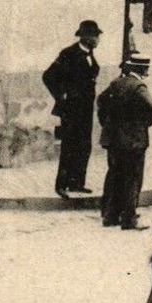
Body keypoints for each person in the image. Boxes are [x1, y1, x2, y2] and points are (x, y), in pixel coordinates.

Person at [97, 52, 152, 230]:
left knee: (115, 176)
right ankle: (129, 219)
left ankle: (110, 216)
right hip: (133, 143)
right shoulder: (139, 87)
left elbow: (101, 100)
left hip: (113, 140)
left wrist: (106, 123)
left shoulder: (116, 83)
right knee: (132, 178)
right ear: (143, 69)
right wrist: (144, 124)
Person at [43, 21, 102, 200]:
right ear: (86, 37)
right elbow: (48, 76)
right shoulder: (68, 53)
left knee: (84, 146)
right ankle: (61, 185)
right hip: (71, 110)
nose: (98, 40)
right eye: (95, 36)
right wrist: (62, 96)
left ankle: (77, 182)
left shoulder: (90, 54)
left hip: (85, 110)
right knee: (69, 146)